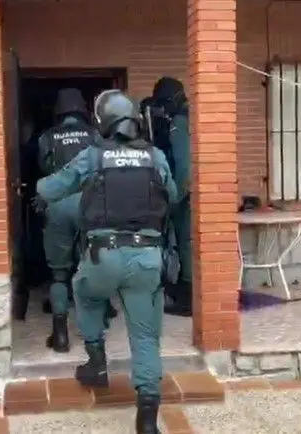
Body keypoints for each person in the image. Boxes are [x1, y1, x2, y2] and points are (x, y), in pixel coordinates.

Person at [34, 90, 178, 434]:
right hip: (147, 258)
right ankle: (147, 417)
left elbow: (49, 189)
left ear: (103, 122)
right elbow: (171, 196)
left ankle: (96, 362)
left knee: (84, 292)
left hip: (103, 256)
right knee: (145, 335)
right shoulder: (155, 156)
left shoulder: (93, 156)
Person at [35, 88, 99, 352]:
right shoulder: (95, 135)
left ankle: (60, 336)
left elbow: (43, 168)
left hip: (58, 204)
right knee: (93, 267)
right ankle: (96, 331)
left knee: (58, 274)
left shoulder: (47, 137)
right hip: (90, 205)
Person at [151, 77, 192, 317]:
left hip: (187, 196)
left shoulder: (179, 121)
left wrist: (174, 200)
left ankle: (188, 300)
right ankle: (187, 292)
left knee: (187, 245)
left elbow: (184, 167)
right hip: (201, 193)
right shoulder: (192, 116)